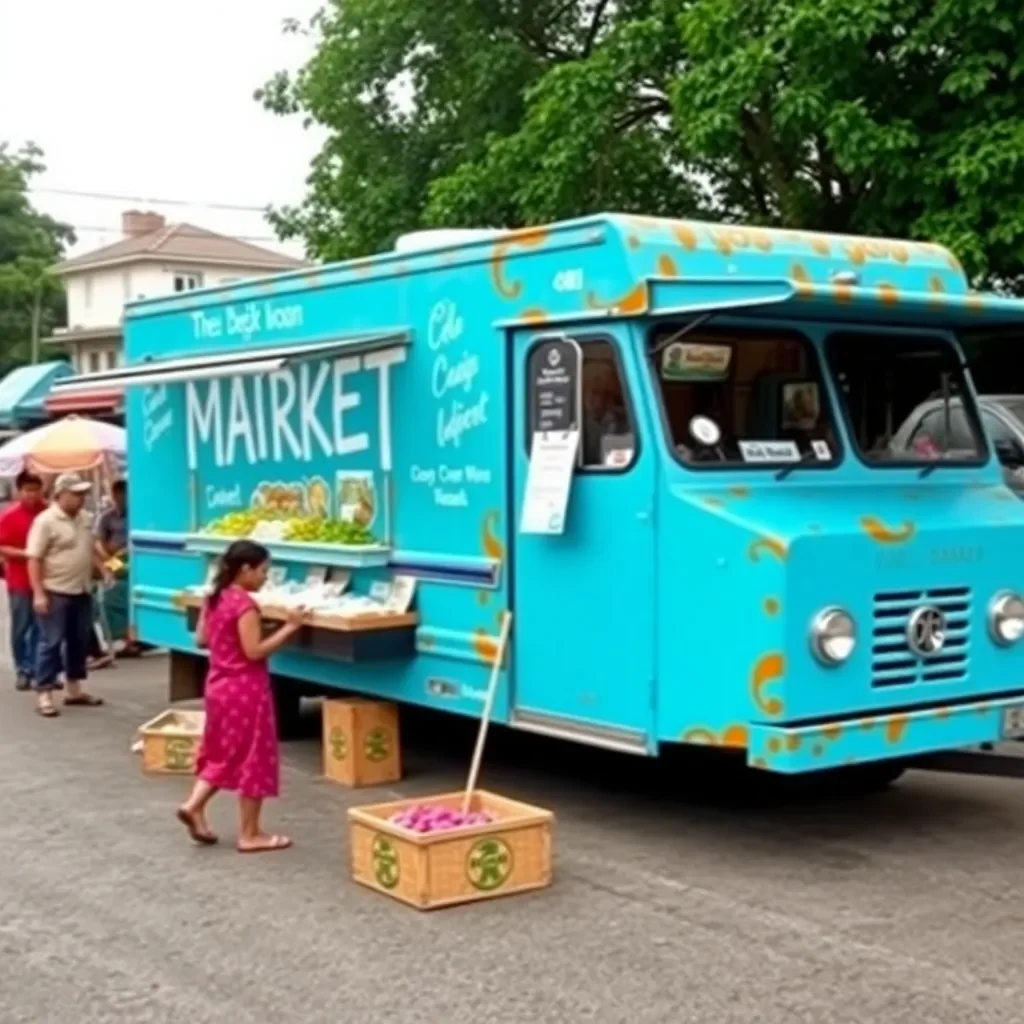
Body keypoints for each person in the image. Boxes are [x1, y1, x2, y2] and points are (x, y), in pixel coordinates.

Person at [176, 540, 305, 853]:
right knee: (252, 757)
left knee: (222, 753)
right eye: (262, 571)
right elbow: (254, 651)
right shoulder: (244, 604)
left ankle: (193, 805)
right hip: (246, 689)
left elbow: (202, 639)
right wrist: (289, 628)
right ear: (245, 569)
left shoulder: (215, 598)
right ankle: (250, 833)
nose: (265, 578)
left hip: (218, 685)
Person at [27, 472, 112, 718]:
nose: (81, 498)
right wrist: (39, 594)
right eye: (75, 494)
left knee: (78, 641)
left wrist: (104, 569)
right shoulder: (46, 521)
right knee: (51, 642)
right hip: (55, 590)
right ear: (60, 494)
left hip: (82, 589)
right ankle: (44, 692)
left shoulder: (85, 518)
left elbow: (90, 547)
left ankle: (73, 689)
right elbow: (35, 559)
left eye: (83, 494)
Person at [0, 471, 47, 690]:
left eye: (36, 490)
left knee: (43, 627)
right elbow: (3, 547)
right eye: (27, 490)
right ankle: (22, 668)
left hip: (47, 578)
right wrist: (28, 553)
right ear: (19, 492)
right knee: (22, 626)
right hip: (19, 579)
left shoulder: (48, 513)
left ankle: (41, 669)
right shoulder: (9, 517)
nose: (32, 495)